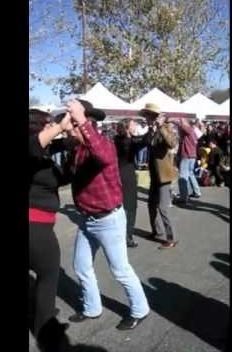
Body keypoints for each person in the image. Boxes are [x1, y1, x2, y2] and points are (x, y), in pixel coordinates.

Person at [64, 99, 150, 330]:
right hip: (86, 219)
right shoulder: (76, 150)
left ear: (83, 123)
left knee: (120, 270)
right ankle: (92, 308)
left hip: (108, 220)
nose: (66, 129)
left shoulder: (104, 144)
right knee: (81, 266)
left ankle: (140, 309)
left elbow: (101, 154)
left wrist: (81, 119)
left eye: (69, 124)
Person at [28, 108, 74, 351]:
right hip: (35, 229)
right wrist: (60, 126)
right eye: (47, 126)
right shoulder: (32, 149)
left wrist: (74, 139)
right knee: (48, 278)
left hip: (40, 226)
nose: (51, 130)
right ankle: (46, 332)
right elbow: (34, 145)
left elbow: (59, 176)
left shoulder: (41, 155)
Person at [140, 103, 179, 249]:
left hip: (164, 175)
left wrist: (161, 127)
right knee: (151, 205)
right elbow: (146, 144)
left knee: (163, 208)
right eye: (145, 116)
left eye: (147, 116)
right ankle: (157, 231)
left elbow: (171, 143)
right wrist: (151, 130)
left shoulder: (166, 127)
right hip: (155, 175)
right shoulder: (153, 130)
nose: (146, 119)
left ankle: (172, 238)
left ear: (154, 116)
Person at [114, 118, 146, 248]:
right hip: (127, 174)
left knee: (119, 205)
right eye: (133, 124)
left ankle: (119, 233)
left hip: (118, 173)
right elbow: (143, 141)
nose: (135, 126)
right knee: (131, 206)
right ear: (127, 127)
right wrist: (152, 127)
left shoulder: (117, 139)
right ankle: (128, 237)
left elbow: (141, 140)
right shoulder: (128, 142)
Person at [175, 118, 201, 204]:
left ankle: (183, 197)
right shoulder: (192, 131)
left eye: (182, 121)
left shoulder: (188, 129)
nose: (180, 123)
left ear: (186, 123)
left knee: (182, 176)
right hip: (192, 156)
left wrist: (178, 122)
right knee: (190, 174)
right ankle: (197, 192)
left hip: (187, 156)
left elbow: (183, 127)